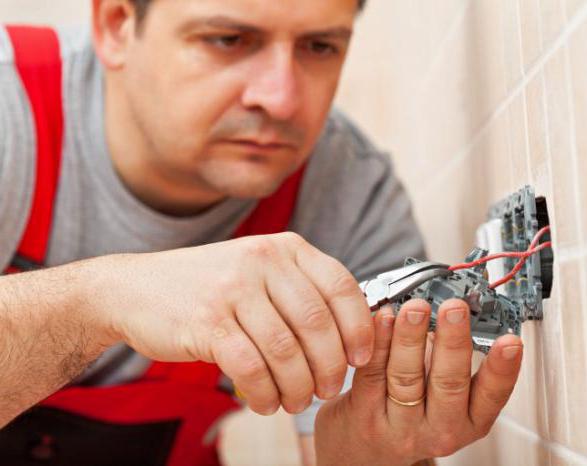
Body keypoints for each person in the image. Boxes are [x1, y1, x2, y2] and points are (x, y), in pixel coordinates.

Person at [0, 0, 524, 464]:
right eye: (228, 40)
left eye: (319, 46)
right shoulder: (10, 107)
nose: (280, 99)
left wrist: (368, 453)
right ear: (116, 24)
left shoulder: (348, 193)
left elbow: (349, 449)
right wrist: (102, 299)